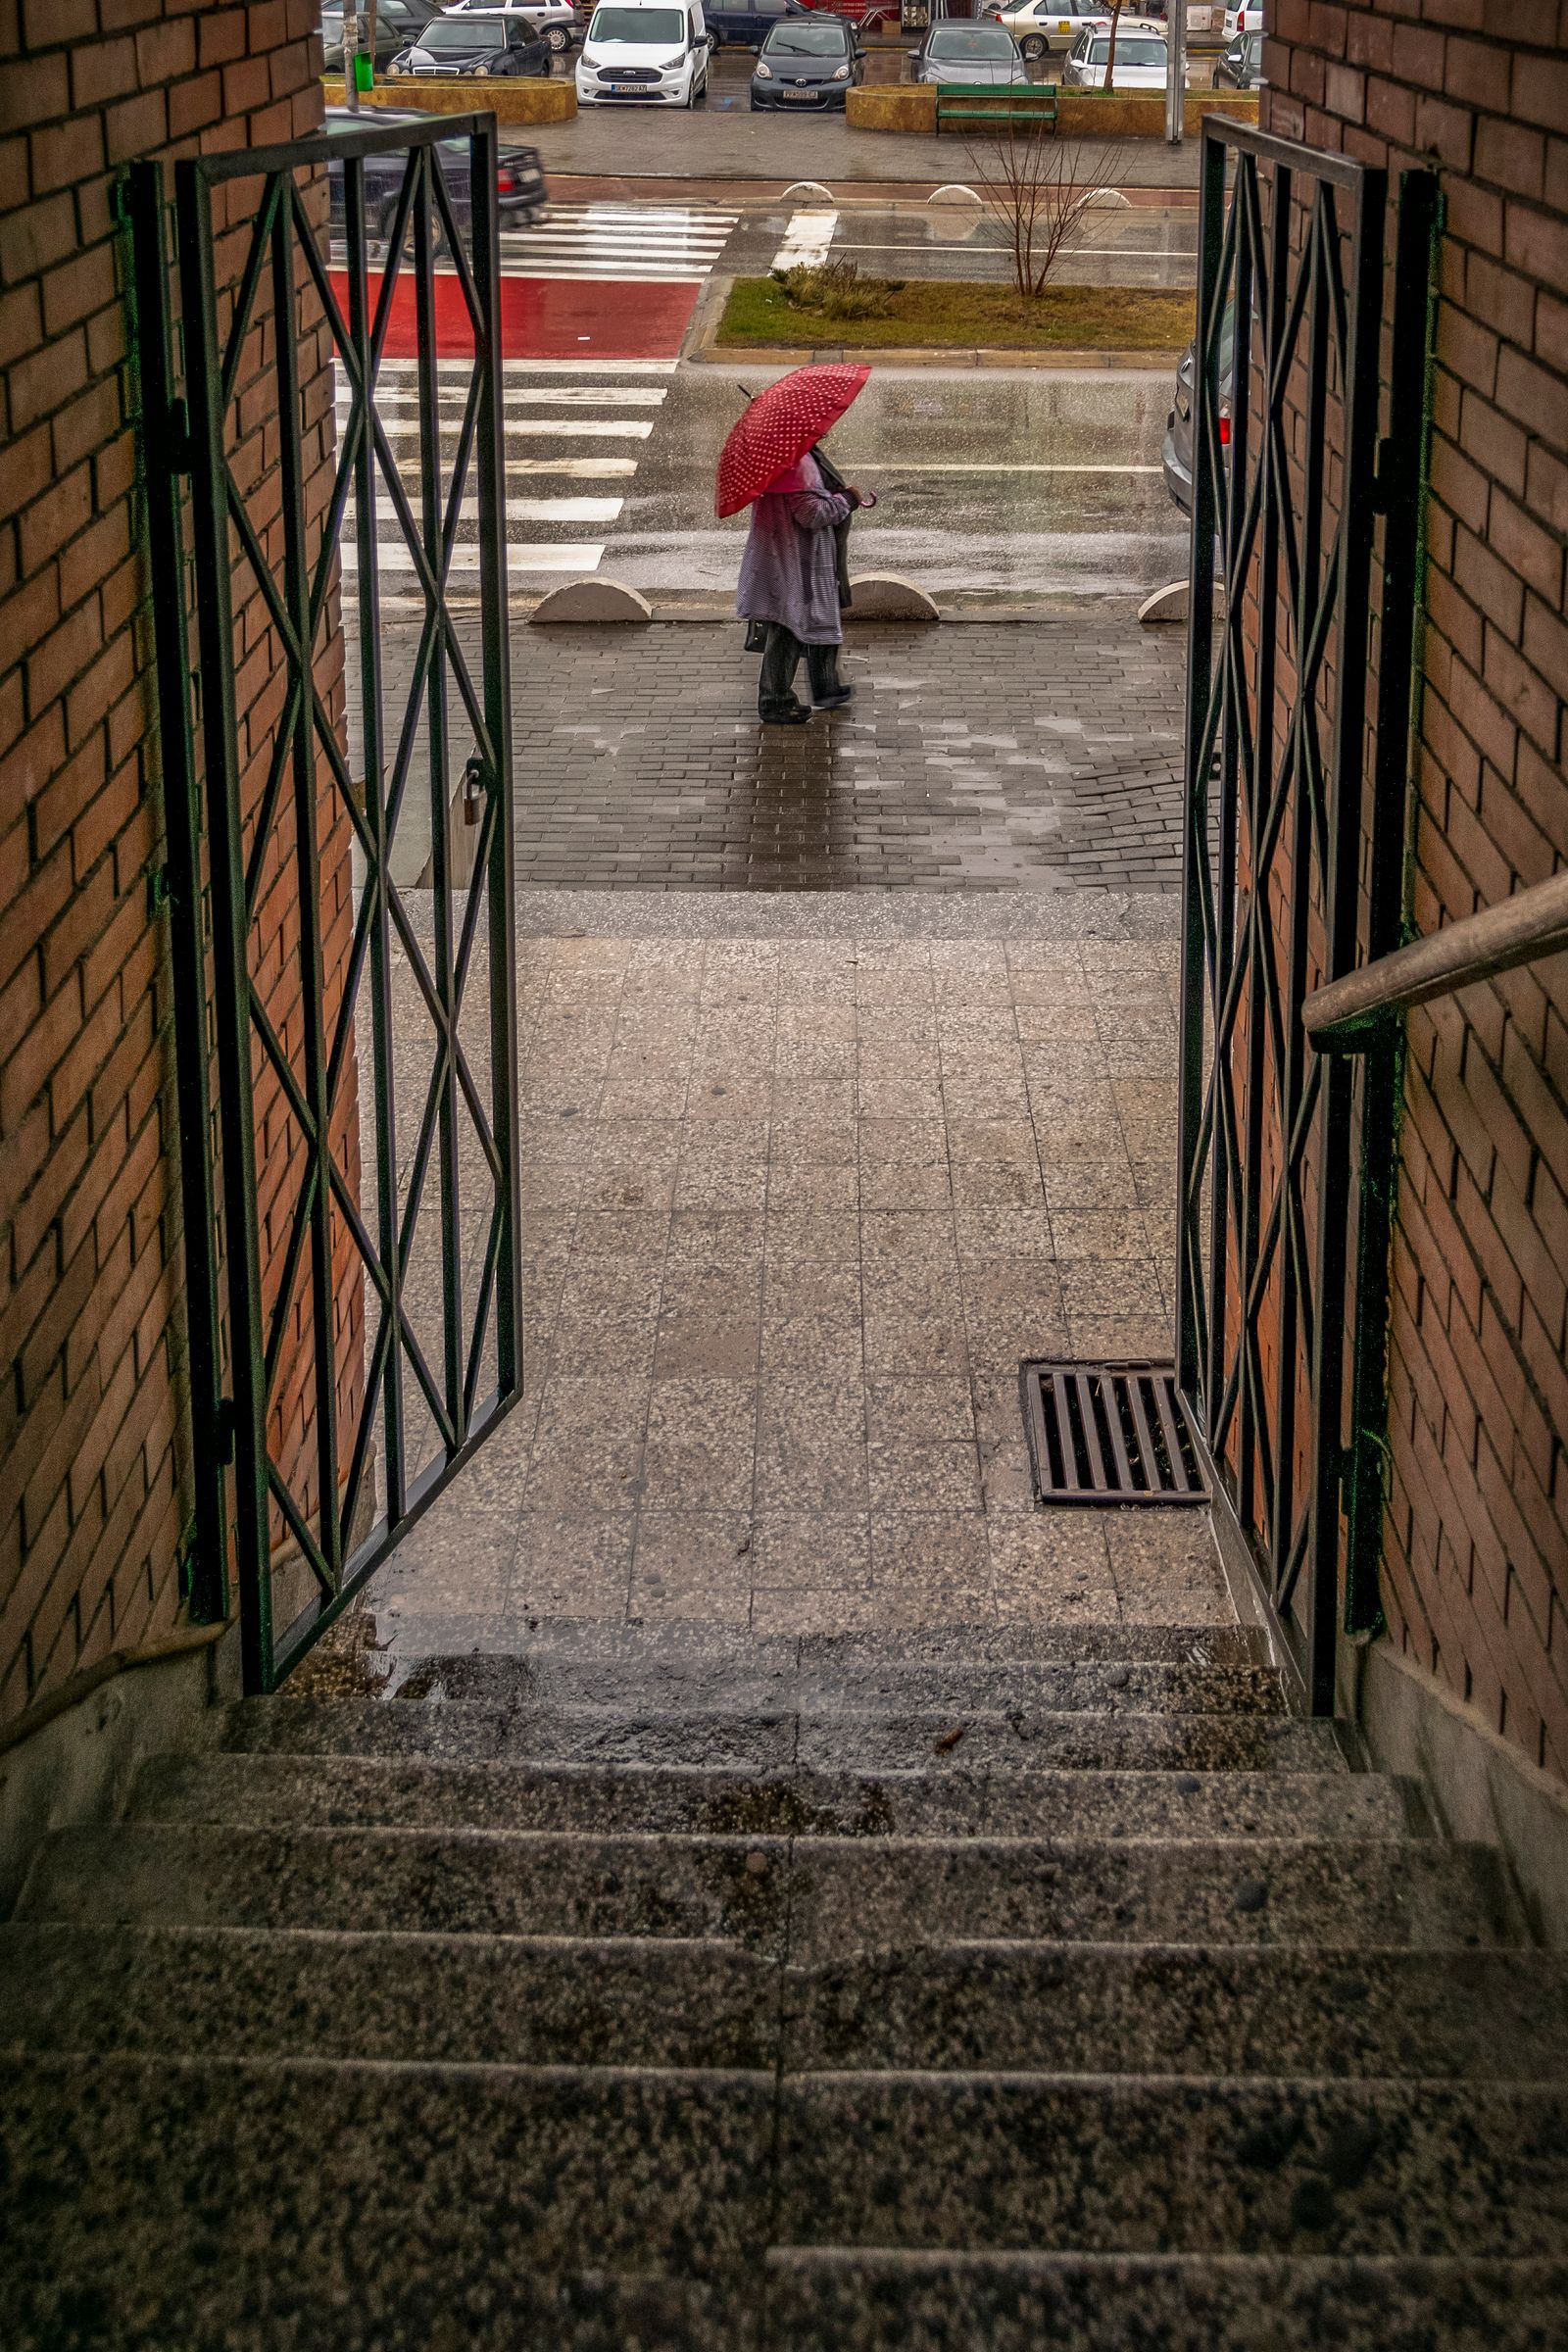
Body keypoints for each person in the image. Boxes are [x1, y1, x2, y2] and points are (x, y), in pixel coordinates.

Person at [737, 445, 866, 727]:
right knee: (787, 629)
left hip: (795, 558)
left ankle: (826, 687)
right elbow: (811, 514)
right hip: (792, 560)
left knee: (814, 620)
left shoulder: (791, 455)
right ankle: (775, 701)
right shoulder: (792, 462)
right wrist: (846, 500)